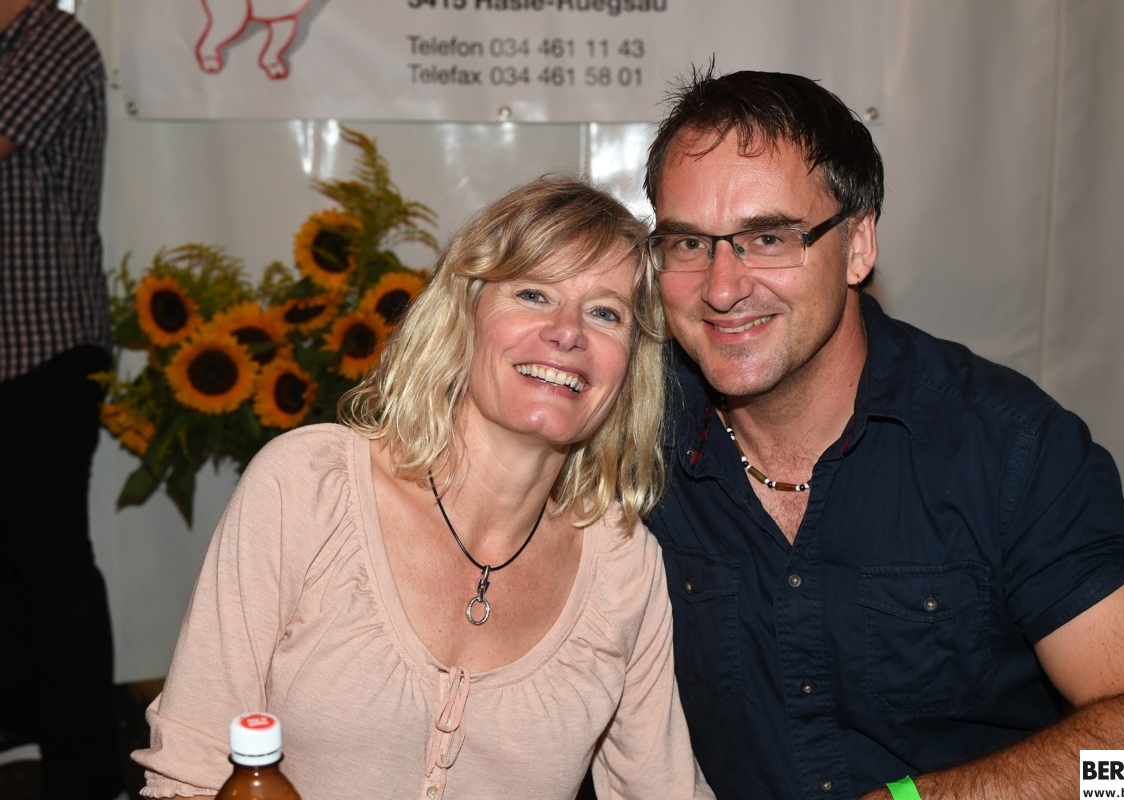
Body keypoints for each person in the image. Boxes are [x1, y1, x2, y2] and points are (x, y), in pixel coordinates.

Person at [642, 68, 1124, 800]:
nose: (721, 288)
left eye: (769, 237)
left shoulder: (1007, 449)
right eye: (689, 243)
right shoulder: (628, 438)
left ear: (858, 244)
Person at [132, 176, 714, 800]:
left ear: (630, 365)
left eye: (605, 313)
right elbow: (190, 770)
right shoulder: (308, 487)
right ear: (465, 316)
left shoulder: (622, 567)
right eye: (533, 294)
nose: (567, 331)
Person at [0, 1, 124, 798]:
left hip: (43, 343)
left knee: (49, 559)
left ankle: (86, 768)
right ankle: (22, 727)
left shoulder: (51, 38)